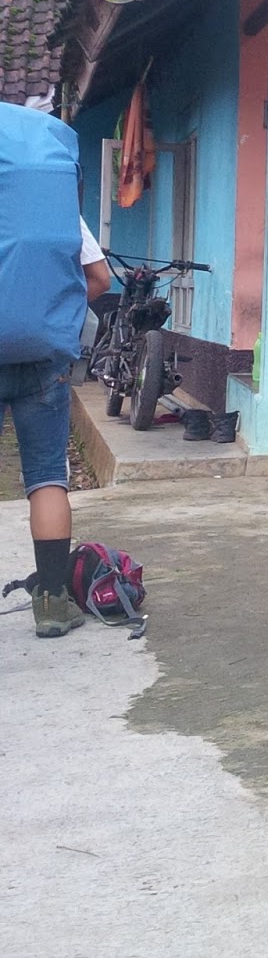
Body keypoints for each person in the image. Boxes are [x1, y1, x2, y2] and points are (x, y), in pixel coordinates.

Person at [0, 120, 109, 637]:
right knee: (46, 476)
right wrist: (53, 316)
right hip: (44, 360)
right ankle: (51, 603)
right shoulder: (58, 212)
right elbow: (100, 279)